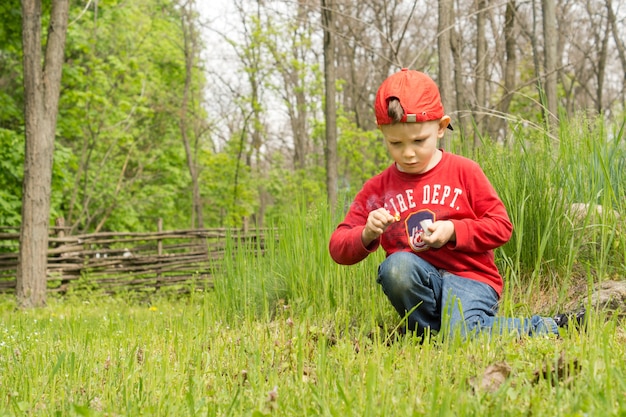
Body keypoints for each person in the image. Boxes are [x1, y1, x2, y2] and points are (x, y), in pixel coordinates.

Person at [328, 68, 583, 339]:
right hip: (422, 283)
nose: (409, 152)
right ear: (382, 133)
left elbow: (501, 227)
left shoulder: (465, 171)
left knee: (462, 334)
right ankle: (428, 332)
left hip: (470, 278)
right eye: (396, 143)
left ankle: (549, 326)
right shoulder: (378, 189)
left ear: (440, 127)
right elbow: (338, 246)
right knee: (397, 267)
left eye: (418, 140)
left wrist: (452, 231)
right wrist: (366, 233)